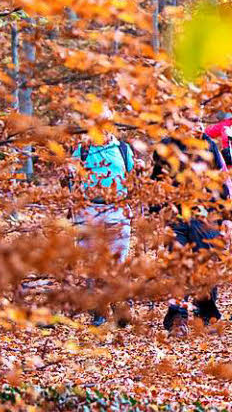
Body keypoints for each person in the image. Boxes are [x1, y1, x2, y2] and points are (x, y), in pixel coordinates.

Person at [150, 127, 232, 335]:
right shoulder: (165, 146)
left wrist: (226, 217)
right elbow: (156, 183)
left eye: (198, 118)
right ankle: (178, 318)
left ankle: (205, 316)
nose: (195, 124)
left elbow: (222, 183)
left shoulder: (209, 146)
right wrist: (154, 213)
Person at [70, 133, 135, 326]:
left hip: (117, 209)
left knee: (117, 260)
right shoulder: (82, 149)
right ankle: (98, 310)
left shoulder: (122, 149)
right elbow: (71, 177)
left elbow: (131, 178)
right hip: (88, 209)